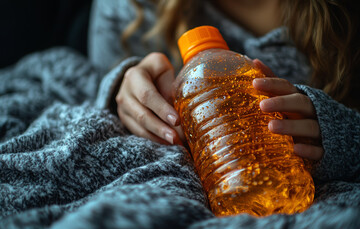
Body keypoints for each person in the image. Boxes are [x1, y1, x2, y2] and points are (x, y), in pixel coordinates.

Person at [90, 0, 360, 181]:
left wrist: (345, 134)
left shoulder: (345, 13)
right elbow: (88, 84)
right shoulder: (130, 8)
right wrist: (122, 89)